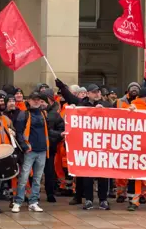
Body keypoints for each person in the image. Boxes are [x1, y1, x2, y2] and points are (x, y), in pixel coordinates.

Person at [56, 79, 111, 210]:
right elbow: (69, 97)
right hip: (87, 145)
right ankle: (89, 200)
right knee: (87, 175)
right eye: (94, 92)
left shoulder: (106, 104)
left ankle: (103, 199)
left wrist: (103, 110)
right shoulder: (82, 104)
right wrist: (62, 87)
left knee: (103, 174)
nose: (97, 94)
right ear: (88, 94)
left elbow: (117, 116)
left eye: (98, 92)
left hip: (102, 144)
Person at [11, 92, 49, 213]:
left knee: (37, 178)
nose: (37, 101)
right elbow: (19, 132)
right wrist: (25, 147)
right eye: (34, 100)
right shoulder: (24, 114)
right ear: (29, 101)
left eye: (38, 100)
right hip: (30, 150)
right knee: (24, 177)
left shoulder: (43, 113)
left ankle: (33, 201)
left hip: (41, 150)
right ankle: (18, 201)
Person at [42, 89, 65, 203]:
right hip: (36, 148)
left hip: (50, 148)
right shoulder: (32, 113)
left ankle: (50, 193)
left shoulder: (55, 114)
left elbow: (61, 130)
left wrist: (53, 138)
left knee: (49, 172)